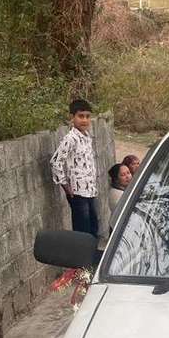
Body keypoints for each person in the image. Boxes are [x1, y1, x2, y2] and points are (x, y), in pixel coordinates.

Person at [50, 99, 99, 237]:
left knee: (93, 228)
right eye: (80, 116)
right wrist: (66, 186)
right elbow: (55, 161)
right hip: (77, 193)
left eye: (87, 116)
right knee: (82, 232)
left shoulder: (86, 137)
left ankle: (92, 257)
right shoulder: (70, 139)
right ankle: (82, 258)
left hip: (89, 191)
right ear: (72, 117)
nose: (84, 120)